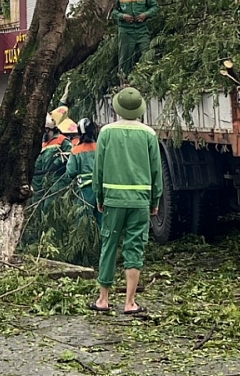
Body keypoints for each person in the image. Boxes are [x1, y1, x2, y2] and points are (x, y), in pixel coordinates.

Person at [90, 87, 162, 315]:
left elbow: (98, 169)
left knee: (109, 246)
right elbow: (156, 171)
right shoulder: (149, 134)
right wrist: (155, 200)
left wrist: (99, 196)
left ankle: (103, 299)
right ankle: (130, 303)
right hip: (140, 201)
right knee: (135, 248)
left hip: (112, 199)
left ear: (117, 108)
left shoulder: (106, 132)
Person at [111, 0, 159, 83]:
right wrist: (122, 16)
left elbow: (154, 7)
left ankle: (146, 81)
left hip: (142, 30)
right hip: (126, 31)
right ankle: (123, 82)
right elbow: (112, 11)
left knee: (147, 54)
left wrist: (145, 15)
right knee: (125, 58)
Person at [65, 117, 100, 226]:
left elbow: (71, 172)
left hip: (85, 189)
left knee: (84, 218)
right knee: (101, 218)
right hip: (101, 188)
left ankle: (86, 241)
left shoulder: (76, 150)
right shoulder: (100, 147)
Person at [33, 115, 72, 200]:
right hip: (44, 180)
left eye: (45, 131)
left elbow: (70, 154)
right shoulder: (43, 143)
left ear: (49, 129)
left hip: (57, 179)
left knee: (50, 204)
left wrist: (57, 163)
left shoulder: (62, 140)